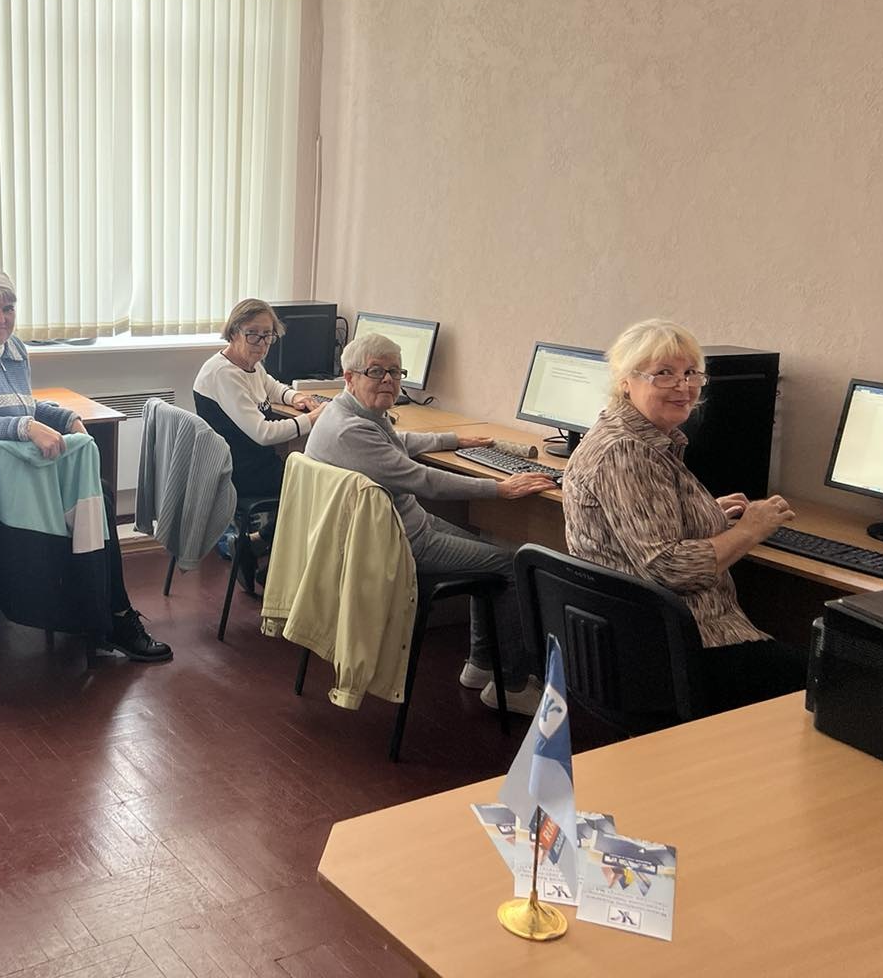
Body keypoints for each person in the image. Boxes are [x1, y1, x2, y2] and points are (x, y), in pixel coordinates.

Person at [0, 266, 170, 662]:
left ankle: (102, 615)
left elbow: (22, 405)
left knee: (98, 497)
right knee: (95, 504)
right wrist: (27, 428)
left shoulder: (13, 349)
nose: (1, 318)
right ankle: (108, 618)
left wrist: (64, 417)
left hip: (7, 480)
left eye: (9, 308)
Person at [562, 318, 806, 712]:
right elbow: (668, 567)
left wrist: (703, 512)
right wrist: (750, 529)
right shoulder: (628, 452)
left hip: (641, 636)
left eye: (691, 373)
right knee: (832, 678)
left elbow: (639, 524)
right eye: (664, 373)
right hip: (679, 645)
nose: (683, 386)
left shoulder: (627, 434)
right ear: (626, 382)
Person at [305, 332, 556, 714]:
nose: (388, 380)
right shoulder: (350, 430)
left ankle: (480, 665)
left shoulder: (348, 413)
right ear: (350, 377)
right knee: (510, 565)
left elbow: (395, 442)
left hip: (398, 525)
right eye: (376, 372)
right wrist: (499, 489)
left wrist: (453, 440)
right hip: (394, 541)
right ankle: (510, 685)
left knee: (487, 549)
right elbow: (423, 480)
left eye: (395, 371)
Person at [192, 298, 326, 502]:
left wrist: (296, 396)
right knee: (321, 483)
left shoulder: (248, 363)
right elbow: (264, 433)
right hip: (239, 473)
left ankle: (277, 523)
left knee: (313, 473)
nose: (262, 343)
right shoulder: (223, 373)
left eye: (267, 334)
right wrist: (312, 419)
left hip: (256, 463)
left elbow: (271, 386)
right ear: (234, 333)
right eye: (252, 334)